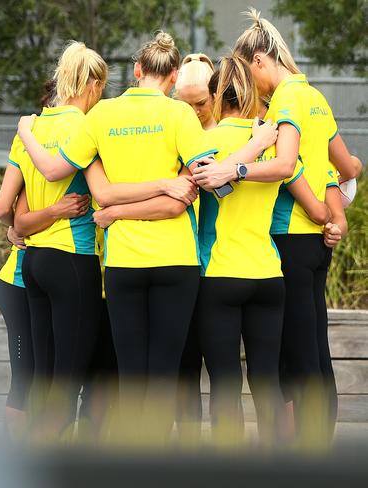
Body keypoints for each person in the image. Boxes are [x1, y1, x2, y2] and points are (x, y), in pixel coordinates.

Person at [19, 32, 278, 444]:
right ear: (174, 76)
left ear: (136, 70)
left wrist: (26, 131)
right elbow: (204, 180)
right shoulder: (180, 117)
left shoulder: (101, 116)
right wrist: (256, 144)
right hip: (177, 262)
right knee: (163, 376)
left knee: (131, 374)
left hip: (122, 263)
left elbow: (58, 173)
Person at [230, 8, 363, 446]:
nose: (253, 90)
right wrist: (335, 213)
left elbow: (285, 164)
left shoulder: (286, 99)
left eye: (251, 78)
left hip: (288, 239)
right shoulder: (316, 97)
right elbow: (350, 167)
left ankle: (309, 458)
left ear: (258, 62)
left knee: (298, 357)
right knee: (315, 352)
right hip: (316, 246)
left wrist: (238, 170)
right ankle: (316, 450)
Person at [191, 55, 330, 448]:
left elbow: (196, 186)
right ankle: (280, 468)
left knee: (225, 385)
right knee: (268, 381)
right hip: (269, 275)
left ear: (217, 98)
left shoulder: (205, 142)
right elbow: (314, 183)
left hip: (218, 276)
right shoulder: (271, 144)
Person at [0, 80, 91, 442]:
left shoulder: (31, 135)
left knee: (34, 378)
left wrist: (17, 229)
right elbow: (10, 213)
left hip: (20, 277)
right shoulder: (77, 136)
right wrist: (43, 217)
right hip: (25, 279)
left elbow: (7, 210)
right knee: (35, 379)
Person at [173, 52, 216, 444]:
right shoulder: (172, 131)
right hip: (183, 263)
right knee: (185, 365)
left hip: (222, 268)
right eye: (184, 104)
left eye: (200, 103)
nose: (193, 112)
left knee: (222, 370)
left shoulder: (231, 134)